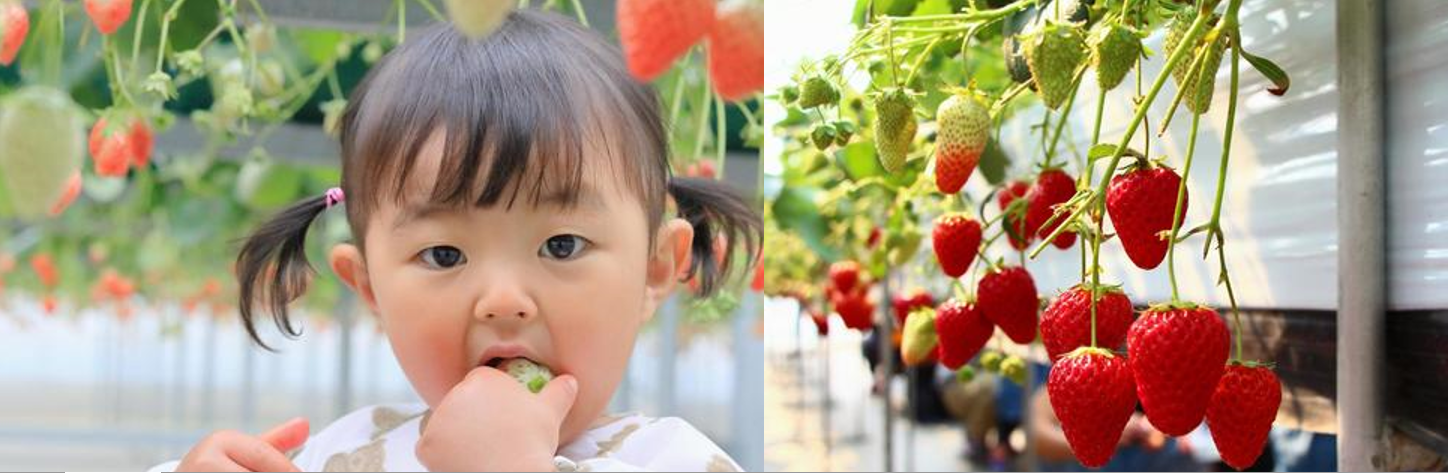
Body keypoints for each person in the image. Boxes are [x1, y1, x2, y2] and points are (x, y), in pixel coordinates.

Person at [152, 9, 760, 472]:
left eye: (563, 245)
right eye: (444, 255)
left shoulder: (674, 460)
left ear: (655, 269)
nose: (502, 299)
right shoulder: (342, 453)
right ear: (370, 287)